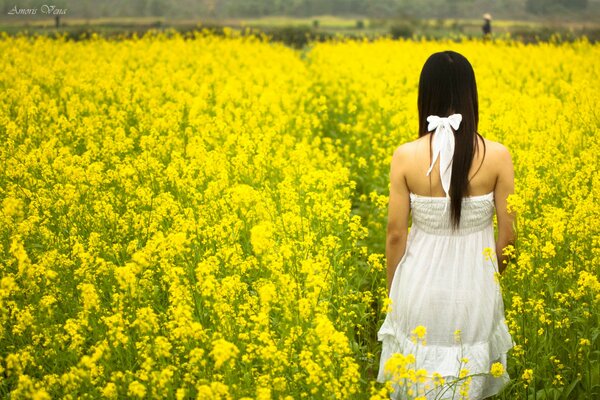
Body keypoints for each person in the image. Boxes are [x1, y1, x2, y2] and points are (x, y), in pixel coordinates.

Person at [376, 51, 515, 399]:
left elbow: (395, 235)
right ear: (471, 95)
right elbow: (510, 236)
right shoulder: (498, 156)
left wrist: (395, 293)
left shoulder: (405, 156)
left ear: (425, 95)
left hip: (417, 291)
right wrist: (488, 276)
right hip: (475, 293)